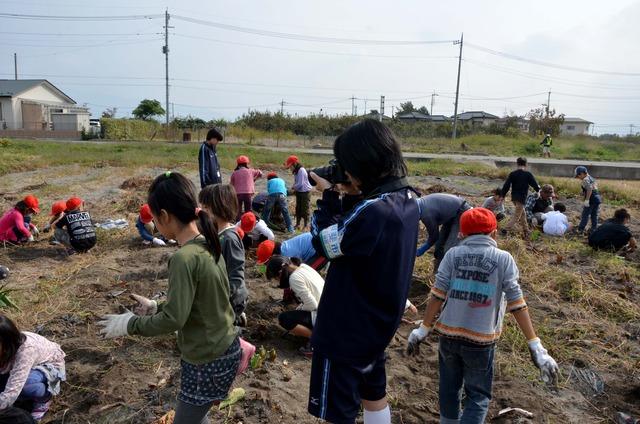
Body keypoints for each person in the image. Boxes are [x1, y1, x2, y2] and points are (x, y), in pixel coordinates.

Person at [97, 171, 241, 424]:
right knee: (198, 415)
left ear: (163, 216)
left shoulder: (183, 258)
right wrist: (156, 306)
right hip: (225, 349)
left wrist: (129, 324)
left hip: (206, 360)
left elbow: (174, 319)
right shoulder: (208, 243)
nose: (154, 224)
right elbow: (199, 301)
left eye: (154, 218)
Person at [307, 119, 419, 424]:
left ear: (362, 163)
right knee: (374, 397)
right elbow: (358, 237)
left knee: (337, 413)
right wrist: (354, 193)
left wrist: (328, 197)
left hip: (344, 332)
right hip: (375, 326)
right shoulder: (408, 200)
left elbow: (323, 243)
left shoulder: (374, 210)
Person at [406, 208, 559, 424]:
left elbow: (437, 295)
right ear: (494, 234)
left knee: (449, 389)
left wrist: (423, 329)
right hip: (481, 341)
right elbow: (518, 304)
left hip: (448, 336)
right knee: (477, 395)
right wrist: (535, 345)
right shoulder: (503, 259)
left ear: (462, 234)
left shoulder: (452, 255)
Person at [199, 184, 248, 327]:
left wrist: (221, 300)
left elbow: (236, 276)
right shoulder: (217, 233)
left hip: (230, 299)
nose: (202, 211)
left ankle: (236, 319)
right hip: (220, 292)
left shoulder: (230, 239)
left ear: (218, 209)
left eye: (205, 208)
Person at [0, 314, 66, 421]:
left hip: (46, 365)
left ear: (6, 343)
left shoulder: (26, 350)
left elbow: (13, 389)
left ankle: (44, 399)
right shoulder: (6, 348)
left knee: (28, 384)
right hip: (16, 363)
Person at [266, 255, 325, 354]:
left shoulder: (294, 278)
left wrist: (299, 311)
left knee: (284, 319)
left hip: (323, 316)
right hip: (330, 309)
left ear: (280, 273)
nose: (278, 281)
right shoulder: (303, 267)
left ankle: (317, 341)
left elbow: (313, 305)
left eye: (276, 278)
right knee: (297, 311)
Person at [416, 193, 472, 272]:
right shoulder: (417, 203)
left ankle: (447, 276)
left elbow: (434, 237)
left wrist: (421, 250)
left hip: (462, 212)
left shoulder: (427, 215)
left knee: (449, 250)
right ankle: (436, 274)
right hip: (450, 214)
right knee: (438, 247)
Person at [501, 157, 540, 237]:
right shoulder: (527, 174)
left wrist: (503, 195)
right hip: (521, 198)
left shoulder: (512, 174)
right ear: (526, 164)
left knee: (523, 214)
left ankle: (526, 230)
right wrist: (538, 190)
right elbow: (534, 184)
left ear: (517, 163)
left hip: (514, 197)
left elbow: (506, 185)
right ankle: (505, 229)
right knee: (517, 216)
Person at [230, 155, 263, 220]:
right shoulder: (251, 171)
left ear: (238, 164)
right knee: (248, 209)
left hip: (238, 194)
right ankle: (248, 221)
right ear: (247, 164)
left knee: (238, 209)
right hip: (248, 193)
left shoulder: (235, 173)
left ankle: (238, 222)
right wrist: (254, 179)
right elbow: (260, 173)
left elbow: (231, 184)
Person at [285, 155, 313, 230]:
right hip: (299, 192)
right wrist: (293, 187)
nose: (290, 168)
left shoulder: (301, 170)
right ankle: (297, 224)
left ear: (294, 164)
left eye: (290, 166)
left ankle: (306, 225)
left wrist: (293, 189)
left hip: (305, 192)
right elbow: (296, 182)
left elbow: (300, 184)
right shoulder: (296, 171)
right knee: (298, 208)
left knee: (305, 209)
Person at [575, 166, 602, 235]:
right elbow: (592, 189)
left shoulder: (585, 179)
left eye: (578, 175)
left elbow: (589, 189)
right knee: (594, 215)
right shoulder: (591, 178)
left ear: (582, 173)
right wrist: (583, 193)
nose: (578, 178)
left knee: (585, 214)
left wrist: (587, 200)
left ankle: (581, 229)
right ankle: (594, 228)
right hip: (597, 198)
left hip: (591, 199)